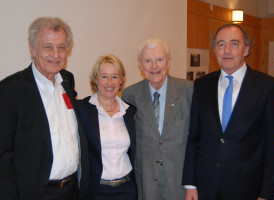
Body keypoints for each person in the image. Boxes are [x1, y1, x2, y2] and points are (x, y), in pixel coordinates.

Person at [182, 23, 274, 200]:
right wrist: (191, 184)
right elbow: (194, 138)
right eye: (221, 44)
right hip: (207, 186)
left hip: (248, 187)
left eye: (234, 44)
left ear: (246, 49)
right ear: (215, 49)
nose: (227, 50)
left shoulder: (268, 87)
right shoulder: (202, 85)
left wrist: (267, 194)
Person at [0, 17, 88, 200]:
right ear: (32, 49)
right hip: (36, 193)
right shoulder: (10, 90)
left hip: (72, 190)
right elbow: (3, 155)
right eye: (48, 47)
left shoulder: (67, 80)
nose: (56, 55)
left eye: (61, 47)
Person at [122, 38, 193, 200]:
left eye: (159, 60)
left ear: (168, 62)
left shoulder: (188, 91)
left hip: (179, 182)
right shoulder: (130, 95)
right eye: (148, 61)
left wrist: (192, 184)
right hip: (145, 182)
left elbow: (196, 140)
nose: (154, 66)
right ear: (140, 64)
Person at [77, 54, 137, 200]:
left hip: (127, 190)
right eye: (104, 76)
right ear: (95, 79)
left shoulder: (130, 112)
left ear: (121, 80)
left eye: (115, 76)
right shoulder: (82, 110)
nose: (109, 82)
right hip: (96, 191)